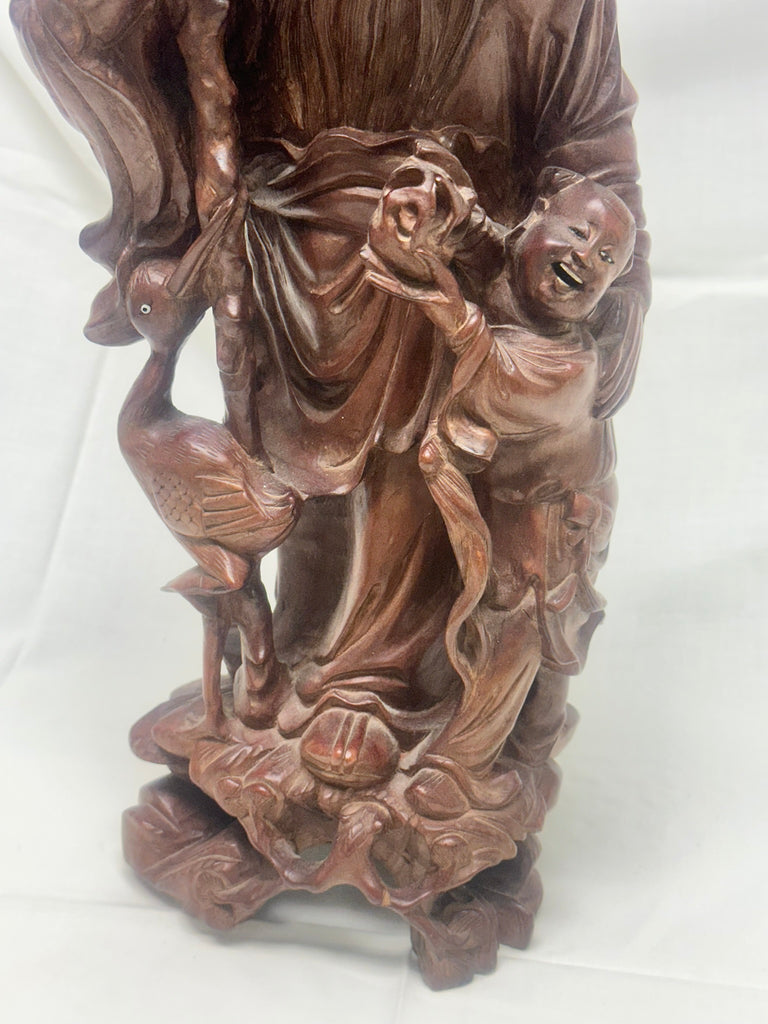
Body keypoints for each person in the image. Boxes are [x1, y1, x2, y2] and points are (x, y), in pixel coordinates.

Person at [362, 165, 636, 775]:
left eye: (606, 259)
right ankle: (519, 738)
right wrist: (442, 208)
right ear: (536, 215)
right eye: (579, 233)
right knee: (508, 622)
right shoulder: (510, 262)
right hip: (508, 491)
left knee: (520, 627)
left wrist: (442, 301)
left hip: (556, 511)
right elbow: (484, 237)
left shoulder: (572, 364)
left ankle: (468, 769)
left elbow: (499, 376)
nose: (585, 259)